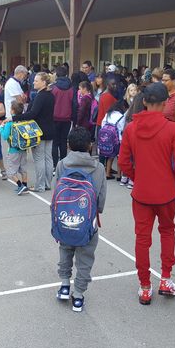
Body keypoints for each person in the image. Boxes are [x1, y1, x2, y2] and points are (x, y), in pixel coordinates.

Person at [118, 82, 175, 305]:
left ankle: (145, 285)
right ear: (166, 102)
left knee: (142, 238)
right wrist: (173, 179)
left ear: (145, 102)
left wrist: (138, 178)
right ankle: (166, 279)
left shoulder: (131, 128)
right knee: (167, 232)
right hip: (166, 191)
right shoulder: (173, 129)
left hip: (142, 192)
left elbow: (123, 162)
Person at [53, 126, 107, 312]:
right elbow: (100, 200)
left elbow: (55, 195)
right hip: (87, 223)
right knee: (85, 257)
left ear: (68, 145)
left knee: (65, 250)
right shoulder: (98, 168)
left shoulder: (62, 164)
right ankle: (78, 296)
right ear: (90, 145)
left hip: (65, 218)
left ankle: (65, 285)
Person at [10, 72, 54, 193]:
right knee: (47, 158)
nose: (33, 82)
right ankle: (47, 183)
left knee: (39, 158)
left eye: (36, 80)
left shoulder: (40, 96)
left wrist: (14, 118)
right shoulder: (50, 95)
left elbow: (33, 113)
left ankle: (40, 185)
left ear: (44, 83)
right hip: (50, 129)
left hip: (38, 131)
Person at [0, 102, 30, 195]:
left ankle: (20, 185)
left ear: (12, 110)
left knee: (11, 171)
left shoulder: (9, 123)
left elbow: (5, 136)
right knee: (23, 169)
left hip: (13, 150)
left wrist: (1, 127)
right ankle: (25, 185)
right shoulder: (23, 121)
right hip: (23, 148)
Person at [51, 66, 74, 169]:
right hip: (67, 118)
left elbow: (50, 103)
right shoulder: (72, 88)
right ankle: (63, 163)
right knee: (63, 141)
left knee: (55, 142)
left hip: (54, 118)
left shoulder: (53, 88)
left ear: (57, 75)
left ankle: (55, 165)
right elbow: (74, 104)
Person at [100, 100, 126, 179]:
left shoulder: (108, 114)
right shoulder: (121, 116)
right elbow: (121, 128)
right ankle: (119, 175)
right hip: (118, 139)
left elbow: (102, 124)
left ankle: (107, 174)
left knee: (110, 157)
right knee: (119, 157)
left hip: (107, 138)